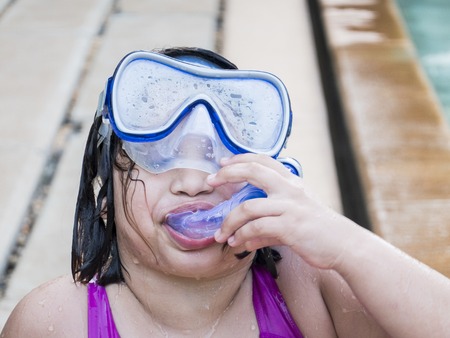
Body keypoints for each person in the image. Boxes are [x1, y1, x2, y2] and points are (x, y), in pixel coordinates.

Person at [2, 47, 450, 338]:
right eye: (159, 156)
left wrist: (345, 243)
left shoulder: (309, 289)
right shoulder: (57, 321)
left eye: (221, 158)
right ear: (105, 195)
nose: (195, 183)